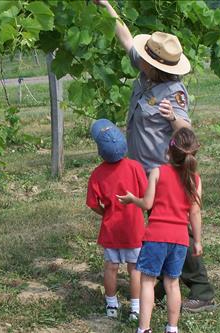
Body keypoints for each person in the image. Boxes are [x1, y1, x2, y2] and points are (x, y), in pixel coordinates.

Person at [93, 0, 216, 312]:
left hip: (160, 172)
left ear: (159, 67)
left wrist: (172, 116)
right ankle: (163, 280)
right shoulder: (146, 74)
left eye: (146, 58)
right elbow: (124, 36)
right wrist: (107, 6)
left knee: (173, 230)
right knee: (157, 231)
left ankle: (201, 290)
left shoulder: (173, 92)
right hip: (141, 168)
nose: (140, 59)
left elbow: (186, 131)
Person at [117, 127, 203, 333]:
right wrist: (197, 241)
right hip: (180, 239)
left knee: (147, 281)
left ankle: (144, 329)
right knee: (172, 284)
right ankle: (172, 328)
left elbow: (147, 204)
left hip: (156, 236)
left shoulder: (157, 172)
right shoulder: (196, 179)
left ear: (169, 150)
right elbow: (195, 214)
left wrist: (131, 199)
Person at [86, 119, 148, 320]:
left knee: (111, 268)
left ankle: (111, 305)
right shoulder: (135, 167)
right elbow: (146, 195)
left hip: (111, 229)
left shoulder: (97, 174)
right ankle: (136, 308)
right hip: (134, 228)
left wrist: (106, 213)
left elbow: (93, 203)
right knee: (134, 269)